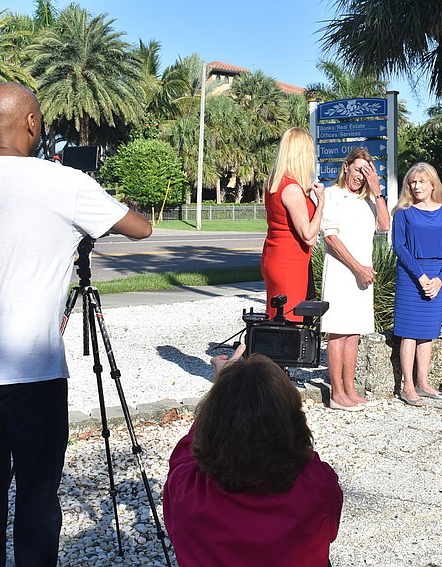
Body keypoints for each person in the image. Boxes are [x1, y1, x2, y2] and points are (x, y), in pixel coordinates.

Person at [0, 82, 152, 567]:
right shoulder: (64, 182)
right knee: (37, 503)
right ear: (31, 123)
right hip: (34, 373)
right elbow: (141, 228)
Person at [163, 345, 343, 566]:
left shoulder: (187, 489)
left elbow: (188, 449)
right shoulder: (318, 483)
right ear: (292, 423)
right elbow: (329, 529)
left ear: (213, 422)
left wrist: (223, 388)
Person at [319, 147, 391, 411]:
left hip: (363, 273)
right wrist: (357, 267)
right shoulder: (332, 194)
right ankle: (337, 393)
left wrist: (377, 190)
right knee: (338, 332)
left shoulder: (370, 200)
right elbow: (330, 237)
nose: (360, 175)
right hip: (341, 270)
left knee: (353, 333)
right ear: (346, 166)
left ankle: (350, 388)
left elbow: (384, 226)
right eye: (358, 168)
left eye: (367, 170)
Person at [391, 163, 442, 407]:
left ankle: (424, 382)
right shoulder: (403, 212)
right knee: (409, 333)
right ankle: (408, 386)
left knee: (428, 332)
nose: (417, 186)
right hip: (411, 276)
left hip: (437, 276)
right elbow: (399, 247)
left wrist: (440, 278)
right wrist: (421, 277)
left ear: (432, 184)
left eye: (421, 181)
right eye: (412, 182)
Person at [262, 127, 325, 321]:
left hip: (275, 254)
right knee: (289, 319)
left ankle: (268, 351)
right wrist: (321, 202)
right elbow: (308, 236)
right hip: (290, 261)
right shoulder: (291, 188)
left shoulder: (274, 181)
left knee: (276, 314)